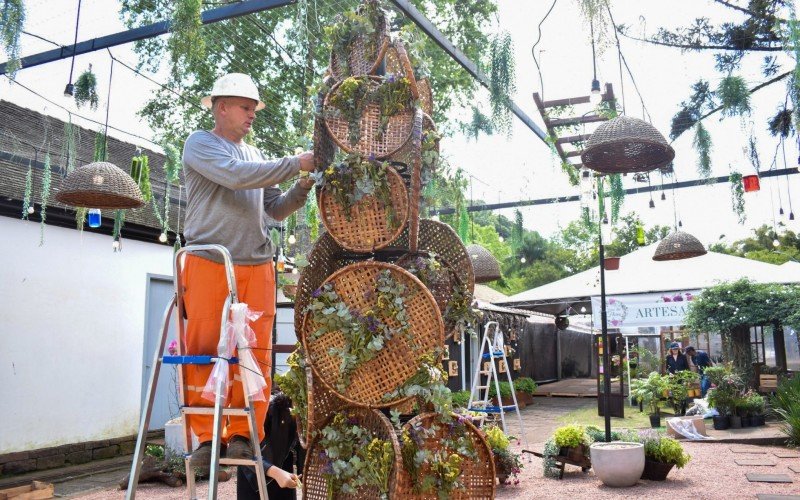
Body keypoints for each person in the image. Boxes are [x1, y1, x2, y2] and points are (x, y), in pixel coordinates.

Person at [181, 72, 314, 484]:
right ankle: (207, 439)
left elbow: (273, 209)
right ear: (221, 107)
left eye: (254, 109)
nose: (251, 115)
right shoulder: (201, 144)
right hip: (210, 262)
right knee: (203, 346)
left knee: (253, 353)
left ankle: (243, 434)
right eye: (245, 107)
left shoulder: (254, 153)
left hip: (256, 265)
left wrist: (302, 185)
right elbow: (237, 177)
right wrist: (294, 163)